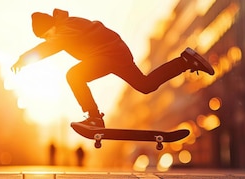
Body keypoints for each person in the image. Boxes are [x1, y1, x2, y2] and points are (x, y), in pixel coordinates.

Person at [11, 9, 214, 128]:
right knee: (145, 85)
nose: (48, 39)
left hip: (108, 53)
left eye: (46, 35)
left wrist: (24, 59)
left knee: (74, 75)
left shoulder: (64, 28)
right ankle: (185, 61)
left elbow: (50, 47)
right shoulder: (66, 26)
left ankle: (94, 118)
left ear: (50, 27)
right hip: (115, 52)